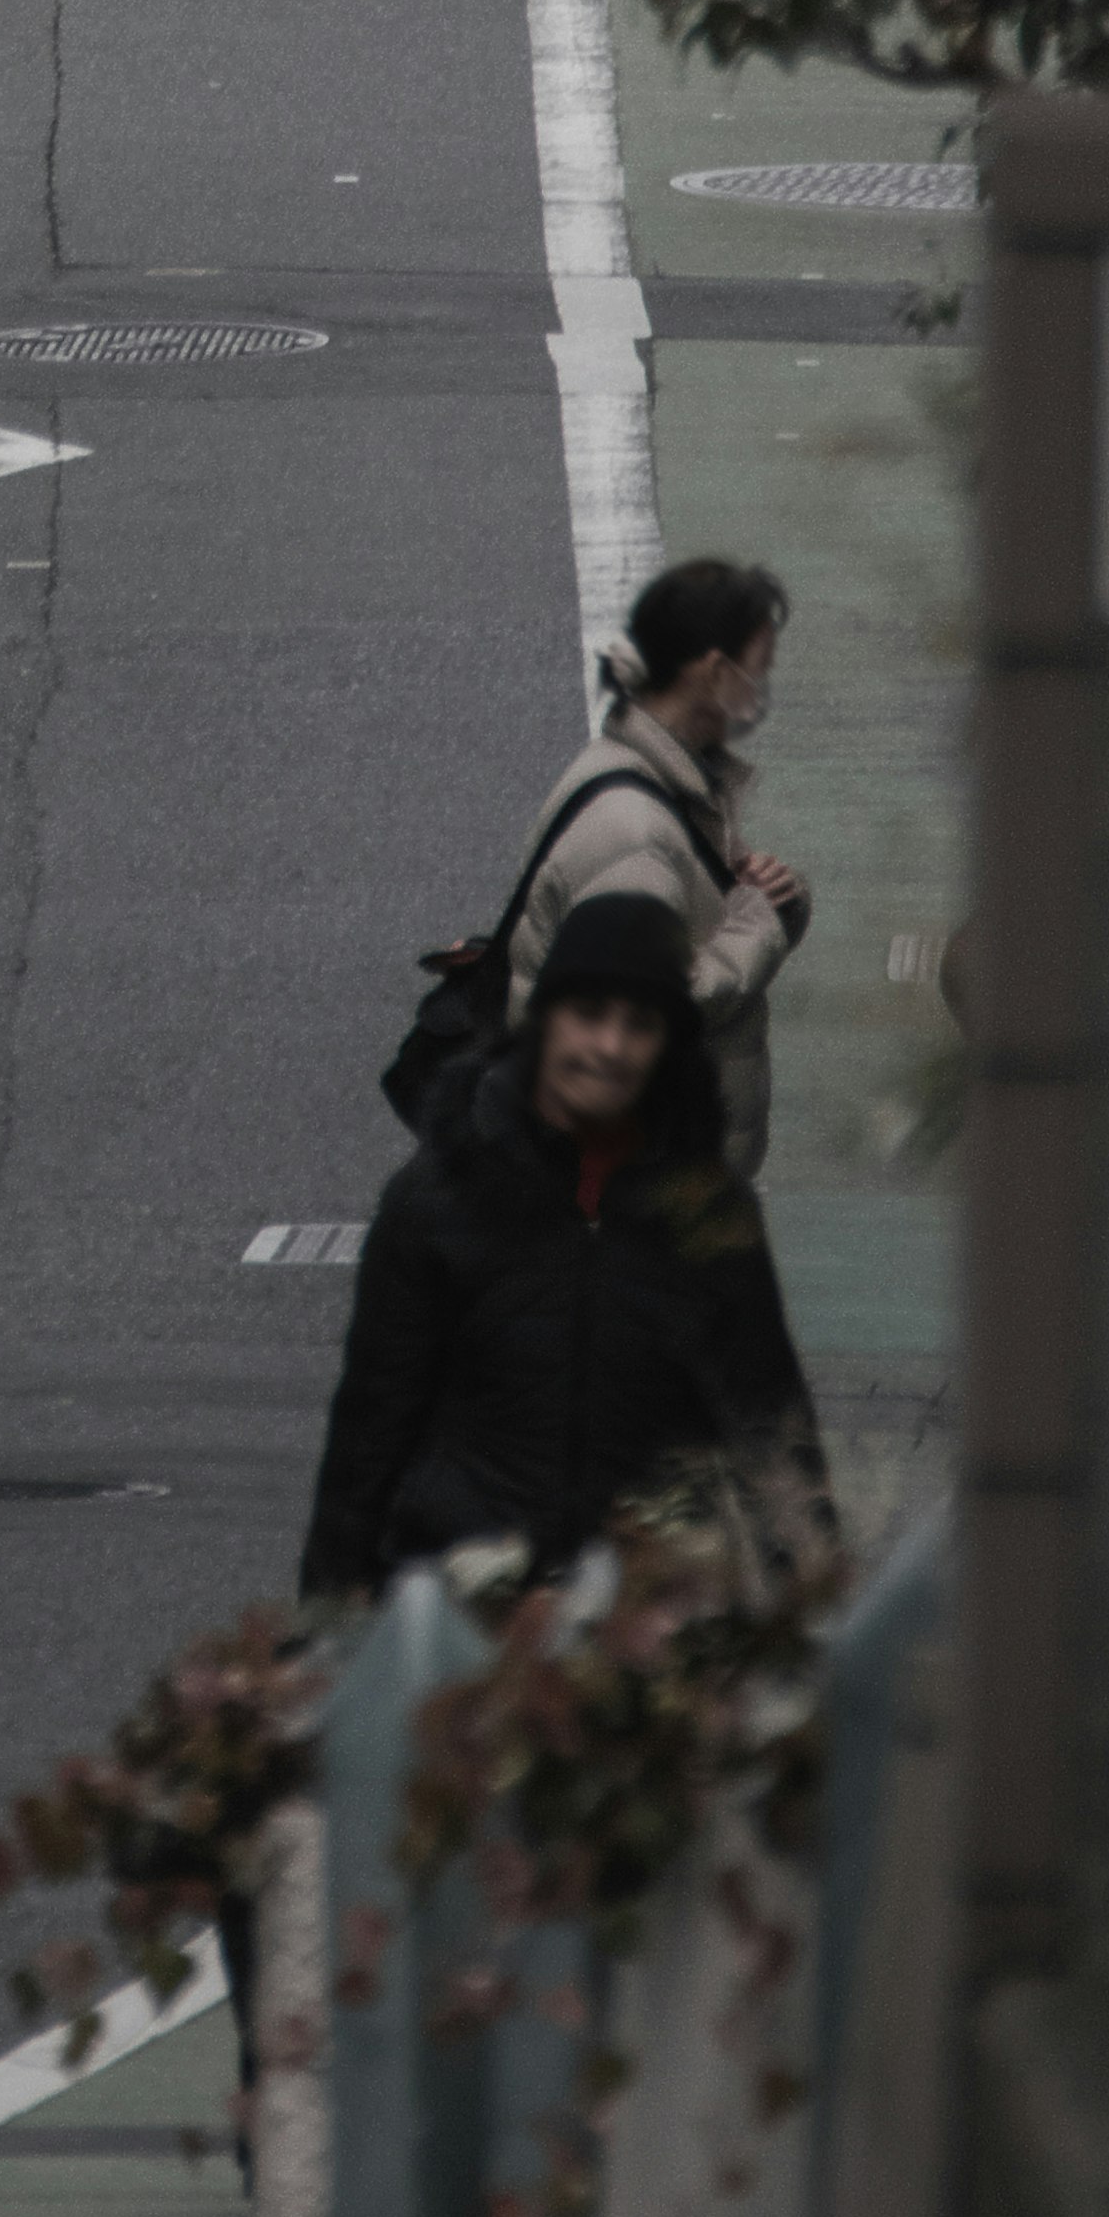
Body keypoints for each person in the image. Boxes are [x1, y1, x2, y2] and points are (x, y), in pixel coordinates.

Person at [300, 895, 823, 1604]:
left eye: (638, 1024)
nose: (608, 1046)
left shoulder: (705, 1213)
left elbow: (772, 1425)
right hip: (468, 1607)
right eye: (588, 1014)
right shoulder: (436, 1199)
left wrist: (807, 1611)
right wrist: (327, 1627)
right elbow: (371, 1433)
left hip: (647, 1613)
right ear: (543, 1020)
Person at [505, 557, 809, 1174]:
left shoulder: (652, 776)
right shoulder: (636, 837)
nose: (763, 687)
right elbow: (656, 1003)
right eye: (759, 669)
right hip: (636, 1176)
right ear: (717, 672)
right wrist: (758, 921)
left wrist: (762, 897)